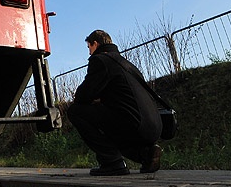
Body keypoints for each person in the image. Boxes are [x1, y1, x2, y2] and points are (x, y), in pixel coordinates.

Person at [67, 30, 162, 176]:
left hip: (134, 124)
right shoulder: (125, 63)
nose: (89, 53)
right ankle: (146, 155)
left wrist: (95, 99)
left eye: (89, 48)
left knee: (76, 111)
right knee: (113, 118)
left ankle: (112, 162)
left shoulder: (100, 60)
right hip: (154, 125)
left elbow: (82, 96)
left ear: (95, 44)